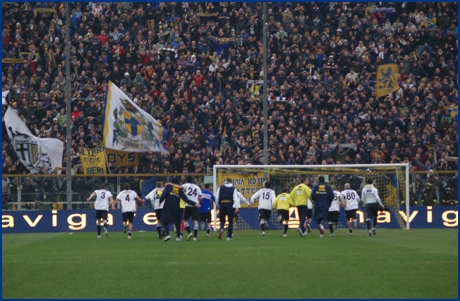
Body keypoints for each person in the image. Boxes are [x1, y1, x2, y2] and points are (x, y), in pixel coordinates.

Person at [159, 177, 200, 242]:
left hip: (168, 206)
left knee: (165, 220)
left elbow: (164, 195)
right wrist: (195, 203)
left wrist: (160, 201)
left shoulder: (168, 187)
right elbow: (186, 199)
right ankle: (178, 237)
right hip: (177, 207)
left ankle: (167, 235)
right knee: (177, 222)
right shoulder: (180, 190)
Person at [181, 175, 202, 241]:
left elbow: (180, 188)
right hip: (195, 206)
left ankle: (189, 233)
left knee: (185, 220)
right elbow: (201, 197)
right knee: (195, 221)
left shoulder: (185, 185)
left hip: (188, 205)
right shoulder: (197, 187)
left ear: (186, 180)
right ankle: (195, 237)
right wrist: (198, 203)